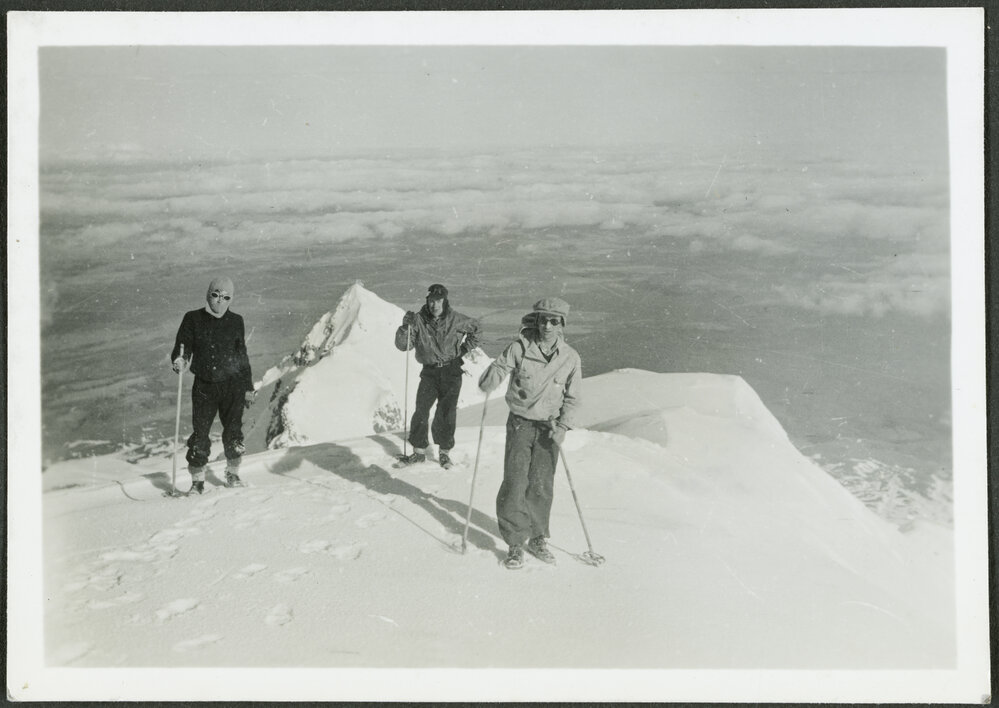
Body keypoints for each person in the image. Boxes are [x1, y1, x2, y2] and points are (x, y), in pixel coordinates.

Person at [478, 297, 581, 569]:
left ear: (562, 325)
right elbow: (501, 366)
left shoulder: (570, 358)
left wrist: (564, 427)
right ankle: (515, 542)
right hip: (521, 424)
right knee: (515, 482)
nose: (547, 326)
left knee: (541, 485)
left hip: (549, 428)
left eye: (554, 321)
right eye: (543, 319)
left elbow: (572, 398)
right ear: (536, 320)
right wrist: (491, 378)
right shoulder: (520, 348)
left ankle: (537, 537)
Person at [171, 275, 256, 493]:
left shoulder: (236, 321)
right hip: (205, 386)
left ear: (231, 299)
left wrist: (247, 387)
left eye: (226, 297)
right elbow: (183, 344)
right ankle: (197, 481)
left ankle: (233, 474)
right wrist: (180, 359)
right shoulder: (193, 318)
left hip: (233, 386)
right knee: (200, 434)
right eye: (215, 295)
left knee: (233, 433)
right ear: (208, 295)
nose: (220, 301)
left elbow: (241, 357)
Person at [394, 283, 481, 469]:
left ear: (445, 301)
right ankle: (418, 452)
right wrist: (404, 328)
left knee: (446, 412)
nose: (435, 305)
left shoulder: (456, 319)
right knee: (421, 410)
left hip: (451, 370)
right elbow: (404, 346)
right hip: (429, 372)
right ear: (427, 301)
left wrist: (463, 350)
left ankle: (444, 452)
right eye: (432, 301)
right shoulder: (417, 320)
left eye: (438, 301)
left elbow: (477, 330)